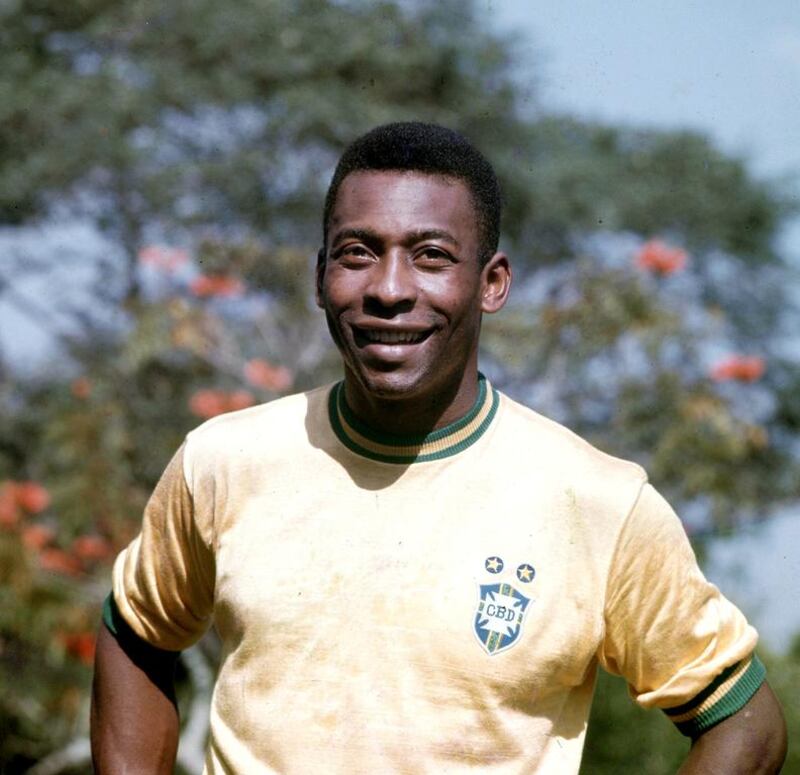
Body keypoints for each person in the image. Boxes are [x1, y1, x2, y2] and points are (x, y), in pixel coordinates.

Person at [91, 122, 787, 773]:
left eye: (431, 257)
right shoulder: (224, 460)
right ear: (320, 276)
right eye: (358, 253)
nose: (389, 289)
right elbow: (135, 632)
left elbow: (744, 721)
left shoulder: (598, 502)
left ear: (491, 283)